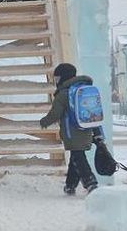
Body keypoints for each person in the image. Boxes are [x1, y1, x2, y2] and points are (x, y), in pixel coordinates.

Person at [39, 63, 102, 195]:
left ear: (63, 77)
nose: (56, 81)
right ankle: (70, 185)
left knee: (78, 157)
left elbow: (55, 114)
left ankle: (90, 182)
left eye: (57, 78)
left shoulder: (63, 94)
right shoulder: (84, 89)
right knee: (76, 156)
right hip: (86, 129)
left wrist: (44, 122)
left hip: (71, 132)